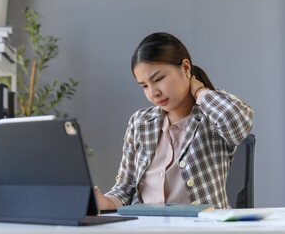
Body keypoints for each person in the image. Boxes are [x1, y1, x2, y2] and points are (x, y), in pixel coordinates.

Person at [95, 32, 253, 209]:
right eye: (145, 86)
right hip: (145, 227)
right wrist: (104, 202)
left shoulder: (212, 115)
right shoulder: (140, 122)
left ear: (186, 68)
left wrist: (200, 91)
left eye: (158, 79)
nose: (153, 93)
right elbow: (125, 188)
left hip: (203, 228)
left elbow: (237, 124)